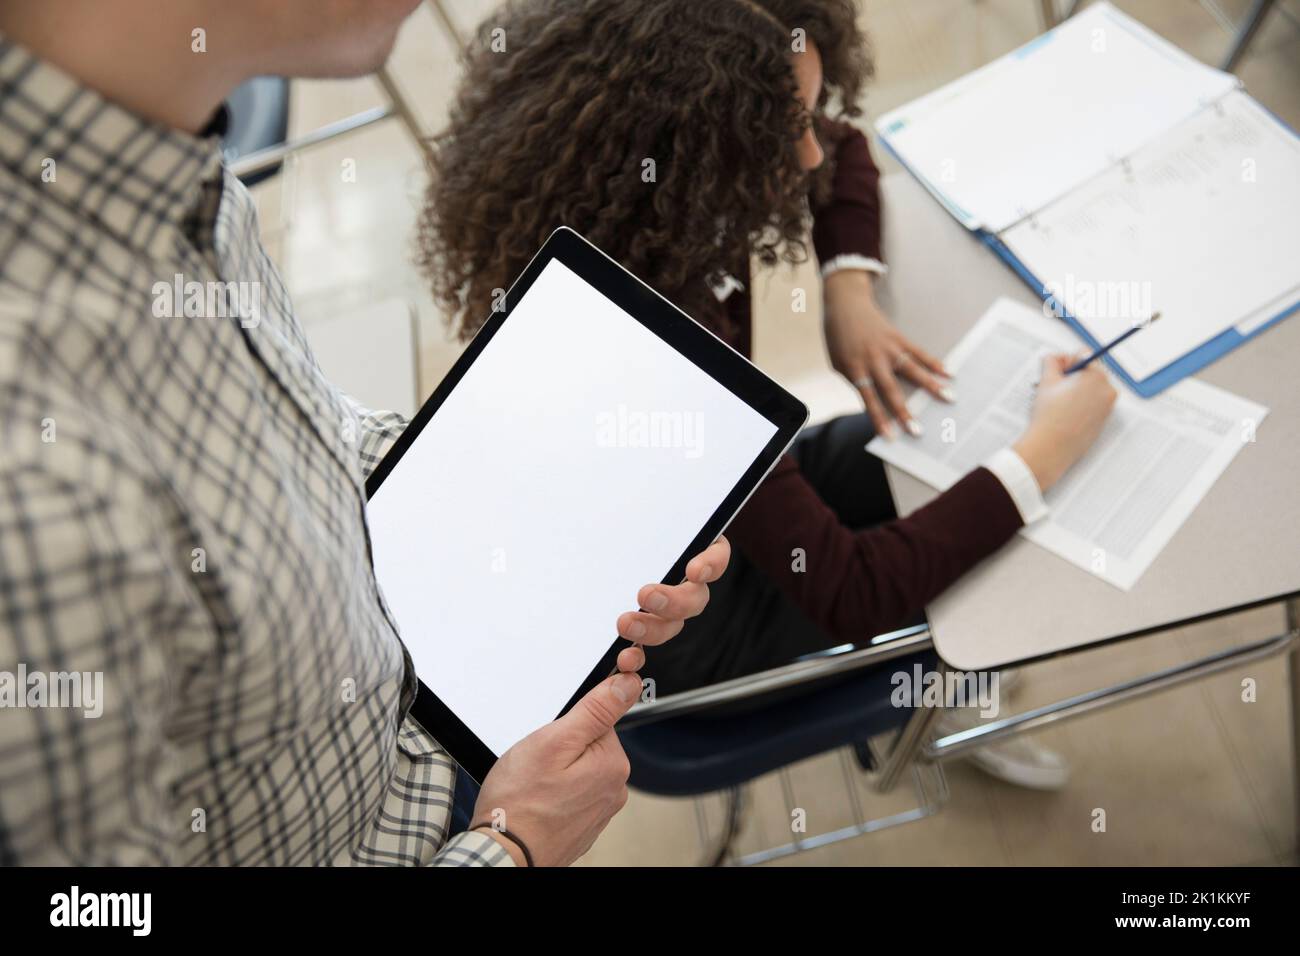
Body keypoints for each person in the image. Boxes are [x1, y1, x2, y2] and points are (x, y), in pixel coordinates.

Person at [0, 0, 732, 867]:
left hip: (416, 733)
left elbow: (302, 439)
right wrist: (511, 848)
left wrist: (517, 472)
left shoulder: (167, 164)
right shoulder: (33, 488)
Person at [418, 0, 1118, 788]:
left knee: (935, 446)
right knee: (1001, 559)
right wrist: (1043, 456)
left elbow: (847, 150)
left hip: (729, 503)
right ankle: (947, 698)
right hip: (692, 648)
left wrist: (848, 286)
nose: (815, 154)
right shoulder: (662, 350)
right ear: (700, 151)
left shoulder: (636, 211)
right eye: (792, 130)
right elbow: (850, 591)